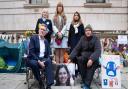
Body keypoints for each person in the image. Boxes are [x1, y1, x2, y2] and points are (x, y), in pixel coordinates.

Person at [69, 25, 101, 89]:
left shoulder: (96, 39)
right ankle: (84, 81)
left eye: (89, 30)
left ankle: (86, 85)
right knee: (79, 59)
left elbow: (98, 50)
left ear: (91, 31)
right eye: (86, 30)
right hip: (84, 57)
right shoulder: (82, 38)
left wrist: (91, 59)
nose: (88, 32)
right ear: (85, 32)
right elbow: (76, 49)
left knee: (91, 66)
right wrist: (70, 57)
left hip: (93, 58)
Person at [27, 24, 54, 89]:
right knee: (34, 63)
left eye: (44, 30)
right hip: (33, 59)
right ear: (38, 30)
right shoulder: (33, 38)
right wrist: (39, 61)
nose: (42, 31)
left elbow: (48, 54)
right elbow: (31, 52)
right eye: (41, 29)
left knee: (49, 61)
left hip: (43, 59)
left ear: (45, 32)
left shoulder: (46, 41)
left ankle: (49, 85)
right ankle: (40, 81)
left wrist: (49, 59)